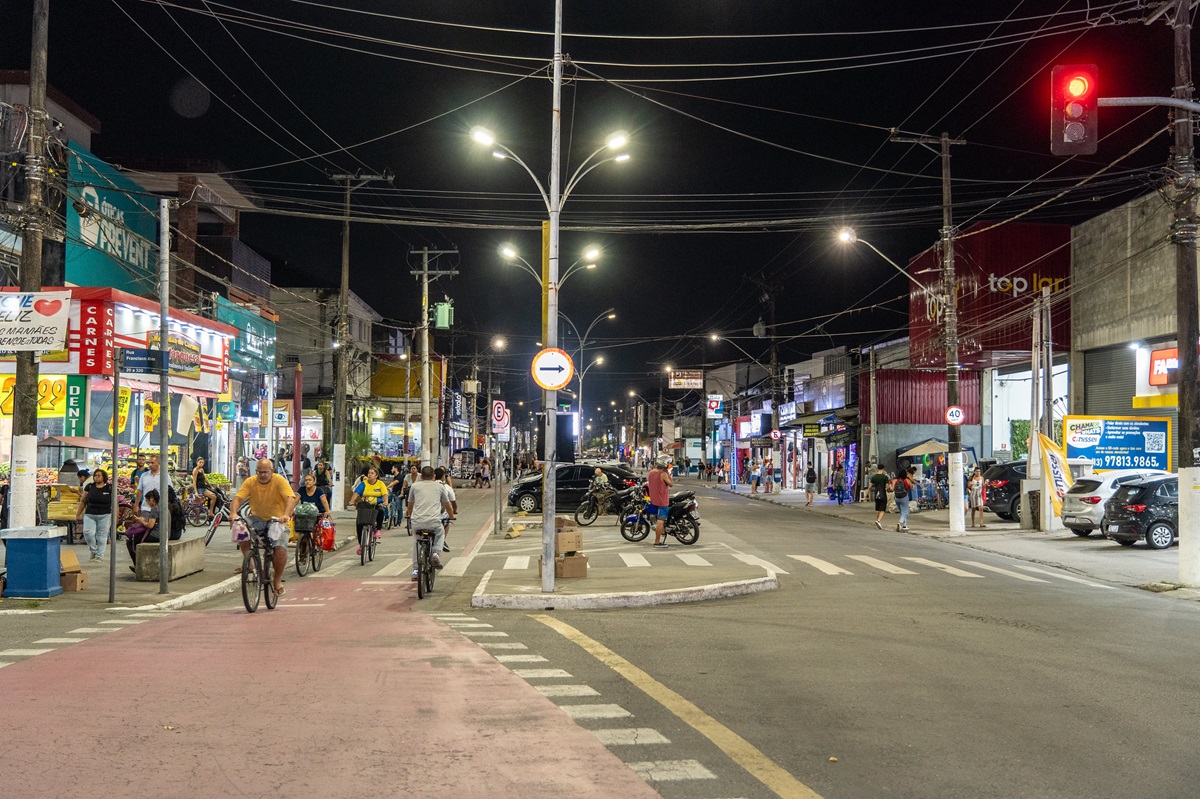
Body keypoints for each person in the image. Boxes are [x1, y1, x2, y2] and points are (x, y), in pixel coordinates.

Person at [231, 458, 299, 595]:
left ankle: (277, 580)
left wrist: (286, 514)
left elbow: (290, 498)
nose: (262, 475)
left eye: (265, 472)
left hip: (277, 520)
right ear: (256, 472)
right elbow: (238, 498)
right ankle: (251, 562)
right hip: (256, 518)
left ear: (272, 471)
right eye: (259, 472)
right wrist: (233, 514)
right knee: (241, 529)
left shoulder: (279, 480)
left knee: (280, 548)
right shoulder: (251, 481)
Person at [407, 466, 455, 581]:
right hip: (434, 522)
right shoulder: (440, 486)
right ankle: (436, 554)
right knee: (440, 533)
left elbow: (410, 504)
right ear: (434, 476)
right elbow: (447, 504)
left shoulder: (414, 486)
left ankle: (415, 570)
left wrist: (409, 516)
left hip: (417, 522)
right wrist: (452, 516)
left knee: (417, 541)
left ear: (421, 476)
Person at [75, 467, 113, 561]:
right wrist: (78, 514)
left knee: (101, 536)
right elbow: (83, 501)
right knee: (88, 533)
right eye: (95, 475)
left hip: (104, 515)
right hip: (90, 514)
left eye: (98, 475)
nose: (96, 477)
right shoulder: (89, 487)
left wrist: (115, 517)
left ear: (104, 477)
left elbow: (114, 503)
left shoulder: (109, 488)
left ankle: (99, 555)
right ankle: (93, 551)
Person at [351, 466, 389, 555]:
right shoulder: (364, 483)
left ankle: (378, 530)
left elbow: (384, 494)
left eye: (372, 473)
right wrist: (352, 501)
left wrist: (385, 501)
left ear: (376, 475)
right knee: (359, 523)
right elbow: (356, 493)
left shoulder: (380, 484)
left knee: (381, 511)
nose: (370, 475)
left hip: (376, 504)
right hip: (365, 505)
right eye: (369, 473)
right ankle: (361, 544)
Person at [647, 454, 675, 548]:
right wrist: (669, 474)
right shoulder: (663, 474)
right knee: (660, 521)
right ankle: (657, 542)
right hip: (662, 500)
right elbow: (671, 484)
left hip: (654, 499)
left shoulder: (651, 472)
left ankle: (662, 532)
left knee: (659, 520)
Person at [435, 466, 457, 552]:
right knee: (446, 522)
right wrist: (453, 514)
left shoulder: (419, 486)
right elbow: (450, 503)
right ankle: (442, 541)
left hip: (420, 518)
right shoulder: (445, 487)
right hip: (439, 516)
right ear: (443, 477)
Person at [894, 468, 915, 532]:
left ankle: (904, 525)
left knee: (902, 512)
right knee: (905, 512)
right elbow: (912, 488)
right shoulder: (907, 480)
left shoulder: (896, 480)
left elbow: (892, 489)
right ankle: (900, 523)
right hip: (904, 497)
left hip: (897, 498)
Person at [869, 464, 890, 529]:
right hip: (883, 494)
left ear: (877, 468)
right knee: (883, 509)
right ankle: (878, 520)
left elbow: (869, 487)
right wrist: (889, 488)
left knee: (877, 508)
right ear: (883, 469)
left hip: (876, 494)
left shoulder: (874, 477)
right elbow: (887, 486)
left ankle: (878, 520)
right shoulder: (884, 477)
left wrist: (865, 496)